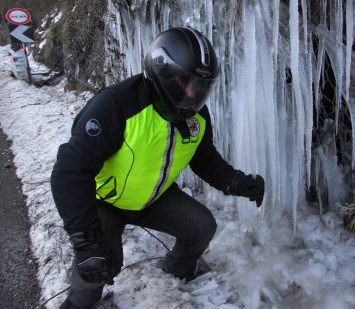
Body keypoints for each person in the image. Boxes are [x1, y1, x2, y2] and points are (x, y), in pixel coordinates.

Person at [51, 27, 265, 309]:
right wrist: (86, 242)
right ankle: (80, 302)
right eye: (184, 81)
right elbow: (69, 173)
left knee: (201, 226)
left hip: (155, 197)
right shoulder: (115, 106)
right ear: (161, 72)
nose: (192, 94)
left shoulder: (197, 116)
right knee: (101, 262)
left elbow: (204, 158)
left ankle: (177, 272)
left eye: (201, 87)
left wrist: (237, 182)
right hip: (106, 202)